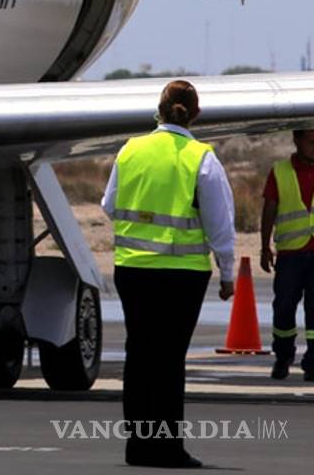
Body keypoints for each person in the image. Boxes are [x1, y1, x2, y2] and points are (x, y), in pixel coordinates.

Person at [101, 80, 234, 469]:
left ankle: (138, 447)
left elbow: (109, 205)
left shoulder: (130, 150)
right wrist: (228, 273)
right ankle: (167, 447)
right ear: (195, 114)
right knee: (169, 360)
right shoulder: (201, 157)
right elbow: (220, 223)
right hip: (182, 274)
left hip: (134, 269)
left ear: (157, 110)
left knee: (139, 357)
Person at [259, 128, 314, 381]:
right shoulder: (280, 171)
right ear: (297, 140)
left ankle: (313, 361)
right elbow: (269, 209)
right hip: (290, 253)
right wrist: (264, 246)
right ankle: (283, 356)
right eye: (311, 141)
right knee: (283, 308)